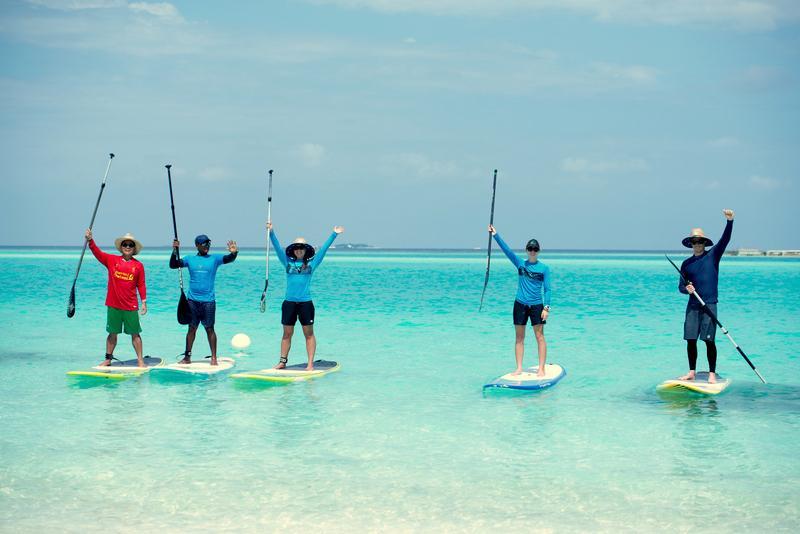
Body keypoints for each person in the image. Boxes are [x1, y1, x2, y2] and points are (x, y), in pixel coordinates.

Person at [268, 223, 343, 370]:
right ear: (294, 250)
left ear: (305, 250)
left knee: (308, 334)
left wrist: (334, 234)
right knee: (286, 334)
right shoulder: (287, 263)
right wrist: (271, 232)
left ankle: (310, 364)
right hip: (289, 303)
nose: (299, 250)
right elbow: (277, 248)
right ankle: (282, 362)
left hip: (305, 303)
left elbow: (323, 250)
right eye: (296, 248)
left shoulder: (311, 264)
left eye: (301, 248)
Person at [677, 209, 734, 384]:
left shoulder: (713, 256)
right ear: (691, 244)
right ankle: (692, 372)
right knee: (691, 339)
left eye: (700, 241)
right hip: (693, 306)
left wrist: (730, 221)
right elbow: (680, 287)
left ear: (704, 243)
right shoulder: (686, 264)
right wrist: (687, 288)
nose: (697, 244)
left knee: (709, 340)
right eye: (694, 241)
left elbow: (725, 240)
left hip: (709, 304)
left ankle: (711, 374)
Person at [489, 225, 552, 376]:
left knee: (540, 337)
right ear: (526, 250)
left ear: (538, 251)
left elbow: (547, 289)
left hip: (537, 305)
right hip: (520, 304)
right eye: (530, 249)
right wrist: (495, 235)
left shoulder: (544, 268)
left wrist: (546, 308)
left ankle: (541, 368)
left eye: (535, 249)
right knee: (519, 337)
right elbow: (507, 251)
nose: (532, 251)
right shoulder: (520, 264)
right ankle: (519, 368)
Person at [169, 234, 238, 366]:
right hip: (192, 301)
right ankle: (187, 357)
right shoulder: (190, 259)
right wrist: (174, 250)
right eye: (204, 244)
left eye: (208, 244)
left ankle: (213, 358)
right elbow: (173, 265)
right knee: (191, 329)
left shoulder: (214, 259)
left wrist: (234, 253)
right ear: (197, 245)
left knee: (210, 329)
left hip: (208, 301)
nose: (207, 246)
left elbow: (229, 258)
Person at [86, 229, 147, 367]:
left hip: (130, 306)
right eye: (125, 244)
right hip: (113, 305)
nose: (127, 247)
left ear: (134, 248)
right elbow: (98, 253)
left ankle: (140, 360)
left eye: (130, 245)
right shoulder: (111, 260)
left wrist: (144, 301)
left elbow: (141, 285)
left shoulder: (138, 266)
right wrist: (90, 241)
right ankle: (108, 359)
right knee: (112, 333)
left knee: (135, 334)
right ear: (121, 247)